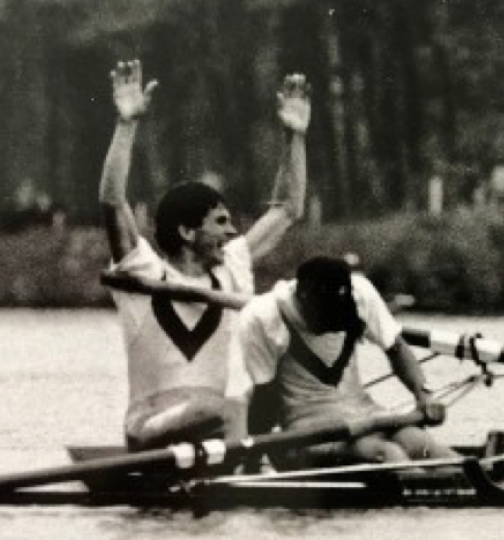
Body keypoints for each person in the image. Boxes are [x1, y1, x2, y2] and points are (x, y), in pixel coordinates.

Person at [99, 59, 310, 451]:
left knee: (265, 399)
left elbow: (287, 208)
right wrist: (126, 124)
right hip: (150, 427)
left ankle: (246, 459)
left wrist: (294, 136)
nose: (232, 232)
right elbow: (113, 201)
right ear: (186, 232)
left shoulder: (230, 267)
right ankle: (241, 457)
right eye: (221, 223)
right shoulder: (142, 272)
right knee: (224, 406)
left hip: (218, 423)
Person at [226, 256, 459, 466]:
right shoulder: (261, 317)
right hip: (308, 429)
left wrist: (424, 395)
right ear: (303, 299)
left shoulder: (361, 292)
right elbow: (264, 399)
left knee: (422, 444)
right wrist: (252, 456)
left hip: (367, 414)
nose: (331, 324)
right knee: (388, 454)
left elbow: (396, 347)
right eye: (326, 317)